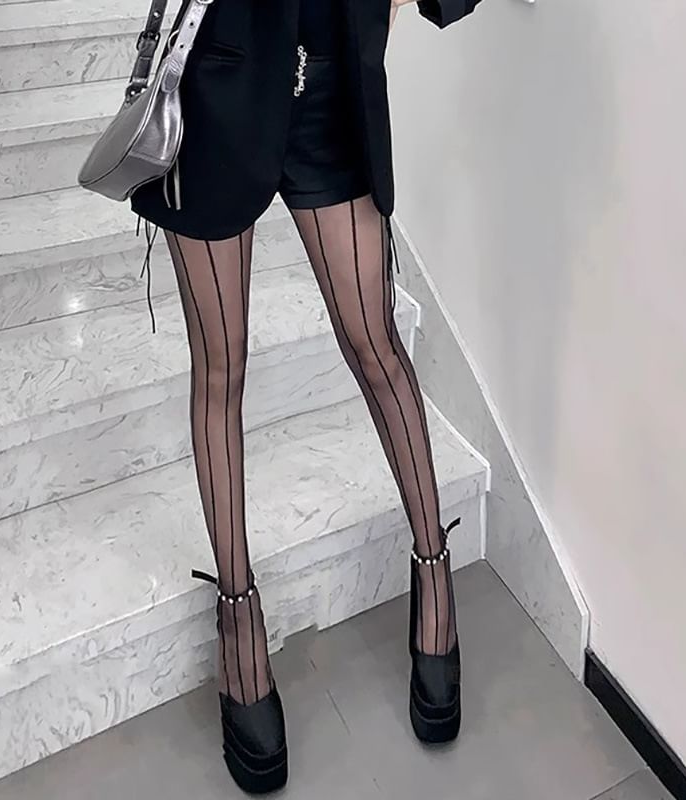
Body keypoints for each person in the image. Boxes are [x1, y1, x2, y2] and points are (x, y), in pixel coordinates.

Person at [128, 0, 483, 792]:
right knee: (220, 371)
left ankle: (433, 567)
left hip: (331, 88)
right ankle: (237, 616)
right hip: (217, 89)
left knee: (376, 346)